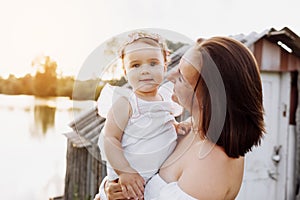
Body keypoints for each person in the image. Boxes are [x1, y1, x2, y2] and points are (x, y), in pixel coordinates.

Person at [94, 35, 265, 200]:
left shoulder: (211, 161)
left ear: (209, 96)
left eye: (181, 77)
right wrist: (110, 188)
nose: (169, 76)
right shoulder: (189, 128)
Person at [96, 31, 190, 199]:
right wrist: (125, 171)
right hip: (126, 182)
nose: (145, 71)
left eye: (153, 63)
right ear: (125, 72)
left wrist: (175, 126)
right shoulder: (126, 103)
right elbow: (109, 138)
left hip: (147, 184)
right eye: (136, 65)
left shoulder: (166, 97)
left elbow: (157, 126)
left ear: (165, 67)